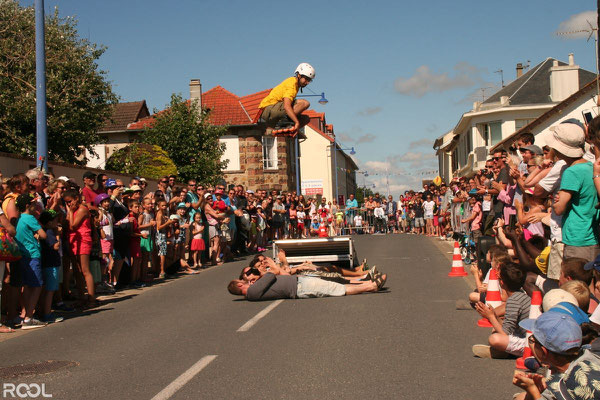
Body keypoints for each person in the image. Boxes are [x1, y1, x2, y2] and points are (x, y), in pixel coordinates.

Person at [227, 257, 386, 301]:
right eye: (244, 280)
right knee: (334, 288)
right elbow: (270, 276)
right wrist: (271, 270)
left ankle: (368, 282)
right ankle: (369, 287)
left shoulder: (254, 288)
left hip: (299, 283)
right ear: (240, 285)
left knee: (333, 282)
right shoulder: (252, 292)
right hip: (298, 288)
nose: (248, 280)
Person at [472, 262, 531, 358]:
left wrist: (490, 316)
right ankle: (504, 351)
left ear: (502, 283)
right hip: (526, 336)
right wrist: (493, 315)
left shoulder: (513, 300)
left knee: (494, 339)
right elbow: (507, 327)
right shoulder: (521, 295)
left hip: (528, 343)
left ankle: (507, 352)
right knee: (495, 328)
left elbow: (504, 333)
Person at [14, 194, 47, 329]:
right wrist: (38, 234)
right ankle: (29, 317)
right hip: (32, 254)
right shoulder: (30, 218)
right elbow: (44, 235)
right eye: (33, 204)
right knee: (37, 285)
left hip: (22, 254)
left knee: (27, 285)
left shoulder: (19, 219)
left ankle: (25, 313)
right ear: (28, 206)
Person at [258, 63, 314, 134]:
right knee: (305, 103)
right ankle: (284, 123)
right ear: (299, 75)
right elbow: (287, 106)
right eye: (306, 79)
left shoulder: (295, 85)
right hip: (267, 109)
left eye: (309, 80)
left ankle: (286, 128)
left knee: (306, 119)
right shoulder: (292, 84)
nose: (307, 82)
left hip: (273, 112)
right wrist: (296, 122)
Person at [39, 210, 64, 324]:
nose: (57, 221)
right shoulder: (49, 232)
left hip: (47, 263)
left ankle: (43, 311)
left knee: (46, 289)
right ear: (49, 222)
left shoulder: (46, 231)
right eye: (54, 219)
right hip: (51, 264)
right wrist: (58, 235)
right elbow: (55, 246)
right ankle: (47, 313)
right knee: (50, 290)